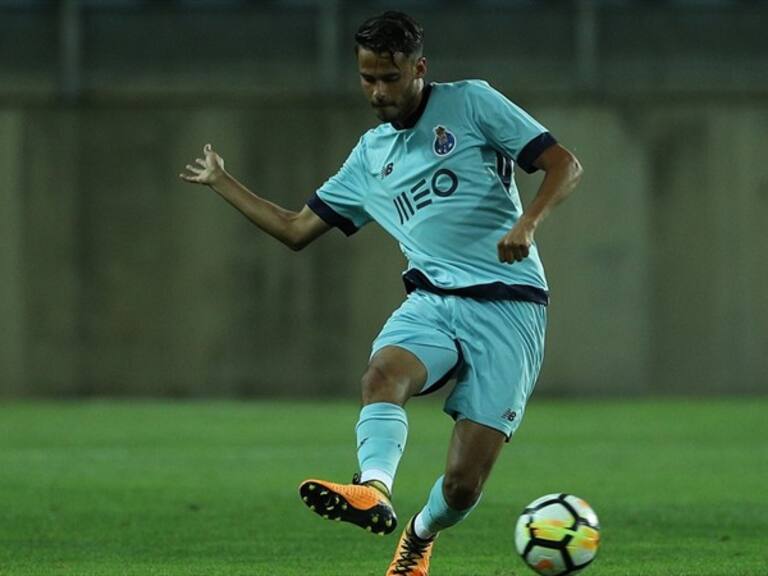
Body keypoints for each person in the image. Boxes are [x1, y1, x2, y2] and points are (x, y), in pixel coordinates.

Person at [180, 10, 582, 576]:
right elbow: (297, 230)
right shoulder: (369, 157)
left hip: (509, 305)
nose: (377, 91)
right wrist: (223, 183)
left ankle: (418, 537)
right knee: (381, 375)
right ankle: (372, 488)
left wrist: (529, 223)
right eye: (367, 78)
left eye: (390, 78)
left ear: (419, 68)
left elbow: (564, 164)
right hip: (432, 301)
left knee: (463, 486)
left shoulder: (472, 103)